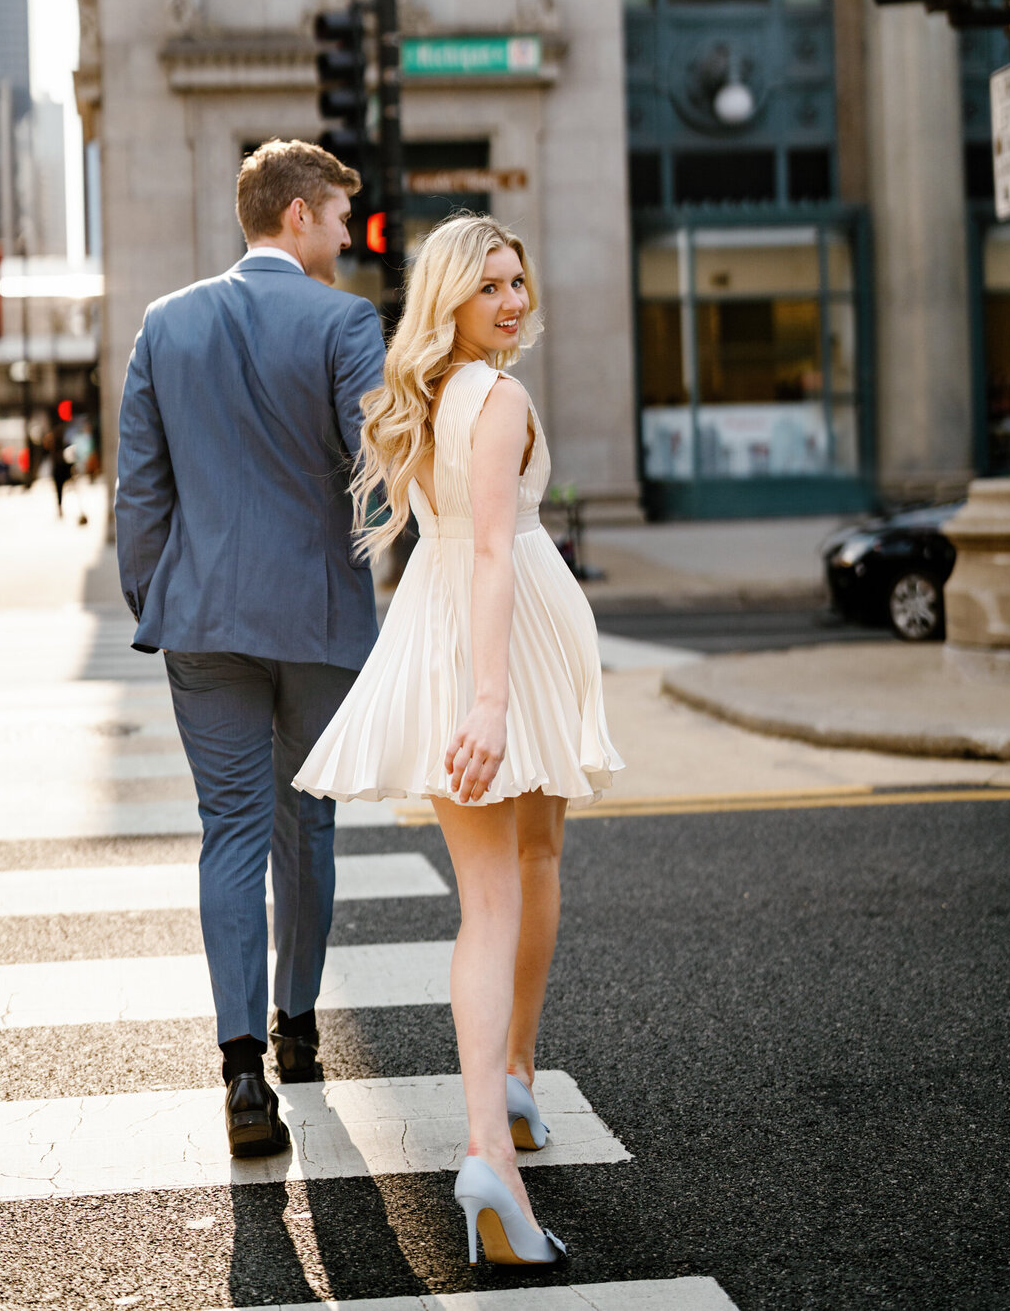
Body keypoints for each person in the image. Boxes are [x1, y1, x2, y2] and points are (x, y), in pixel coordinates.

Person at [296, 213, 622, 1266]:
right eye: (491, 288)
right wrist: (488, 701)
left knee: (526, 868)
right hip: (498, 641)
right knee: (501, 890)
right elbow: (491, 551)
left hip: (462, 631)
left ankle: (515, 1085)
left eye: (520, 280)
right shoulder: (498, 396)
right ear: (450, 299)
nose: (514, 300)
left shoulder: (431, 396)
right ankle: (492, 1146)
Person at [115, 138, 385, 1159]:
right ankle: (300, 1027)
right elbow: (379, 464)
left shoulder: (165, 324)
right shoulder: (343, 320)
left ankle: (242, 1072)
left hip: (202, 618)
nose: (347, 234)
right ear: (300, 214)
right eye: (339, 214)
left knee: (229, 828)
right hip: (315, 617)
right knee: (303, 822)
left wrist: (161, 595)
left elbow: (141, 492)